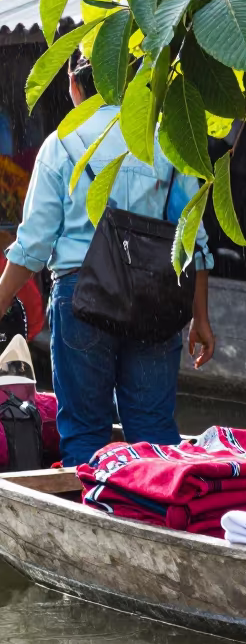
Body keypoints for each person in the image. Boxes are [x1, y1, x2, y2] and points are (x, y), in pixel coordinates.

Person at [0, 55, 215, 467]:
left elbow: (33, 244)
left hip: (83, 297)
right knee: (154, 431)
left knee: (85, 431)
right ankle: (158, 515)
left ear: (72, 83)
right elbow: (192, 239)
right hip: (155, 297)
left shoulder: (62, 141)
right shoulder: (165, 138)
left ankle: (90, 515)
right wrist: (200, 318)